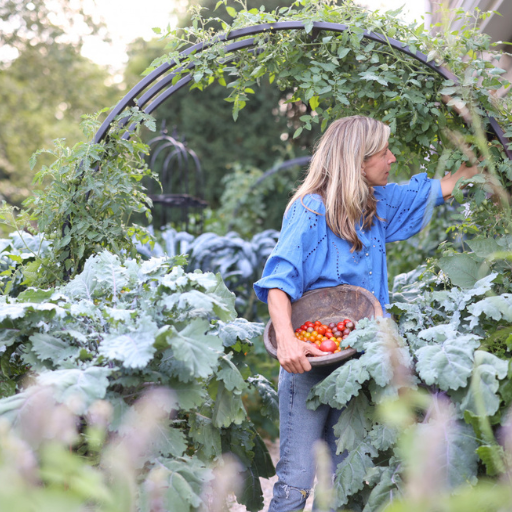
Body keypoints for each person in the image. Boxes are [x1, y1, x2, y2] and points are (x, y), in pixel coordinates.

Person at [253, 115, 480, 511]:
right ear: (357, 160)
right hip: (309, 365)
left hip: (360, 369)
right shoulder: (310, 210)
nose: (392, 159)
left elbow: (441, 188)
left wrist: (478, 152)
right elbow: (278, 281)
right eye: (383, 153)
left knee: (345, 484)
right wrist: (287, 341)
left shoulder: (376, 204)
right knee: (295, 482)